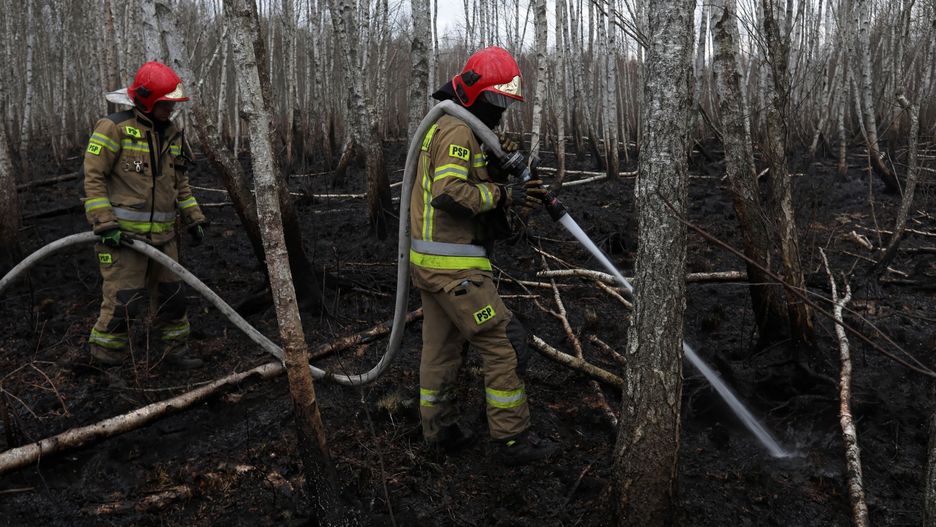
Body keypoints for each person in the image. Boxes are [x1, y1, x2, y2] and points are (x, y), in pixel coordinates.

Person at [410, 46, 559, 465]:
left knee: (440, 350)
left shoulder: (454, 126)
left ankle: (438, 430)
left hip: (432, 264)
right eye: (496, 101)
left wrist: (496, 165)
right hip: (455, 268)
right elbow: (449, 193)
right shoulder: (457, 130)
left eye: (505, 102)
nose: (501, 110)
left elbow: (462, 178)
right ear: (475, 95)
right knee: (504, 344)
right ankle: (512, 439)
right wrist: (503, 194)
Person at [83, 61, 206, 369]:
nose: (170, 110)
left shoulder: (172, 133)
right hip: (124, 239)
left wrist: (194, 217)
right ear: (147, 100)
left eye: (172, 104)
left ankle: (174, 352)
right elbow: (93, 179)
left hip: (165, 238)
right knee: (124, 302)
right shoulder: (113, 128)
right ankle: (106, 360)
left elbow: (180, 181)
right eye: (165, 104)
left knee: (173, 297)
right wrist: (105, 224)